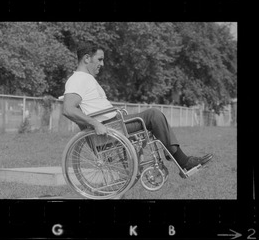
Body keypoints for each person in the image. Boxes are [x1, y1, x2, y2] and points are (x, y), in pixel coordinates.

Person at [62, 42, 213, 175]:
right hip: (111, 127)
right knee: (153, 115)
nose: (103, 64)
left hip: (114, 123)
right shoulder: (78, 80)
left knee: (153, 115)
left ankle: (177, 157)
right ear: (87, 58)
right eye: (99, 59)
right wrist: (95, 124)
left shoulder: (86, 79)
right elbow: (68, 109)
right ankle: (182, 161)